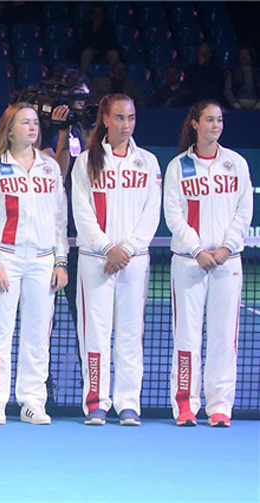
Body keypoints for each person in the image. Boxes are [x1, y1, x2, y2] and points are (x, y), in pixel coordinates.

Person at [0, 103, 68, 425]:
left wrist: (61, 261)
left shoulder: (50, 168)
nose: (32, 128)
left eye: (34, 123)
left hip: (42, 262)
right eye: (25, 122)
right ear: (9, 129)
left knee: (37, 336)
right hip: (6, 259)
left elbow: (59, 220)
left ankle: (32, 402)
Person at [72, 94, 161, 426]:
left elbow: (151, 212)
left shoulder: (148, 162)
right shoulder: (86, 162)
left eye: (131, 117)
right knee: (94, 333)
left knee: (130, 334)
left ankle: (128, 404)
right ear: (105, 119)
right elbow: (82, 212)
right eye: (120, 117)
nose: (127, 124)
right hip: (95, 261)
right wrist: (107, 247)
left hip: (133, 262)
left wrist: (127, 249)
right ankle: (96, 402)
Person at [164, 100, 253, 427]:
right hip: (189, 262)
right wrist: (197, 249)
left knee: (223, 337)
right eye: (210, 120)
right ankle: (185, 406)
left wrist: (226, 248)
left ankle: (220, 407)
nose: (216, 126)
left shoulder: (236, 164)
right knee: (186, 337)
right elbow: (173, 215)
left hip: (227, 264)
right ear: (195, 124)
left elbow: (244, 211)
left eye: (219, 120)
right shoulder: (178, 167)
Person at [41, 72, 94, 346]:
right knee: (43, 316)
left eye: (85, 97)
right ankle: (42, 374)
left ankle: (89, 371)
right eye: (77, 97)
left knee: (82, 309)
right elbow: (56, 177)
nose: (82, 103)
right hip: (50, 234)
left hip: (76, 234)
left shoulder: (80, 130)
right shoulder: (43, 131)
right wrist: (61, 132)